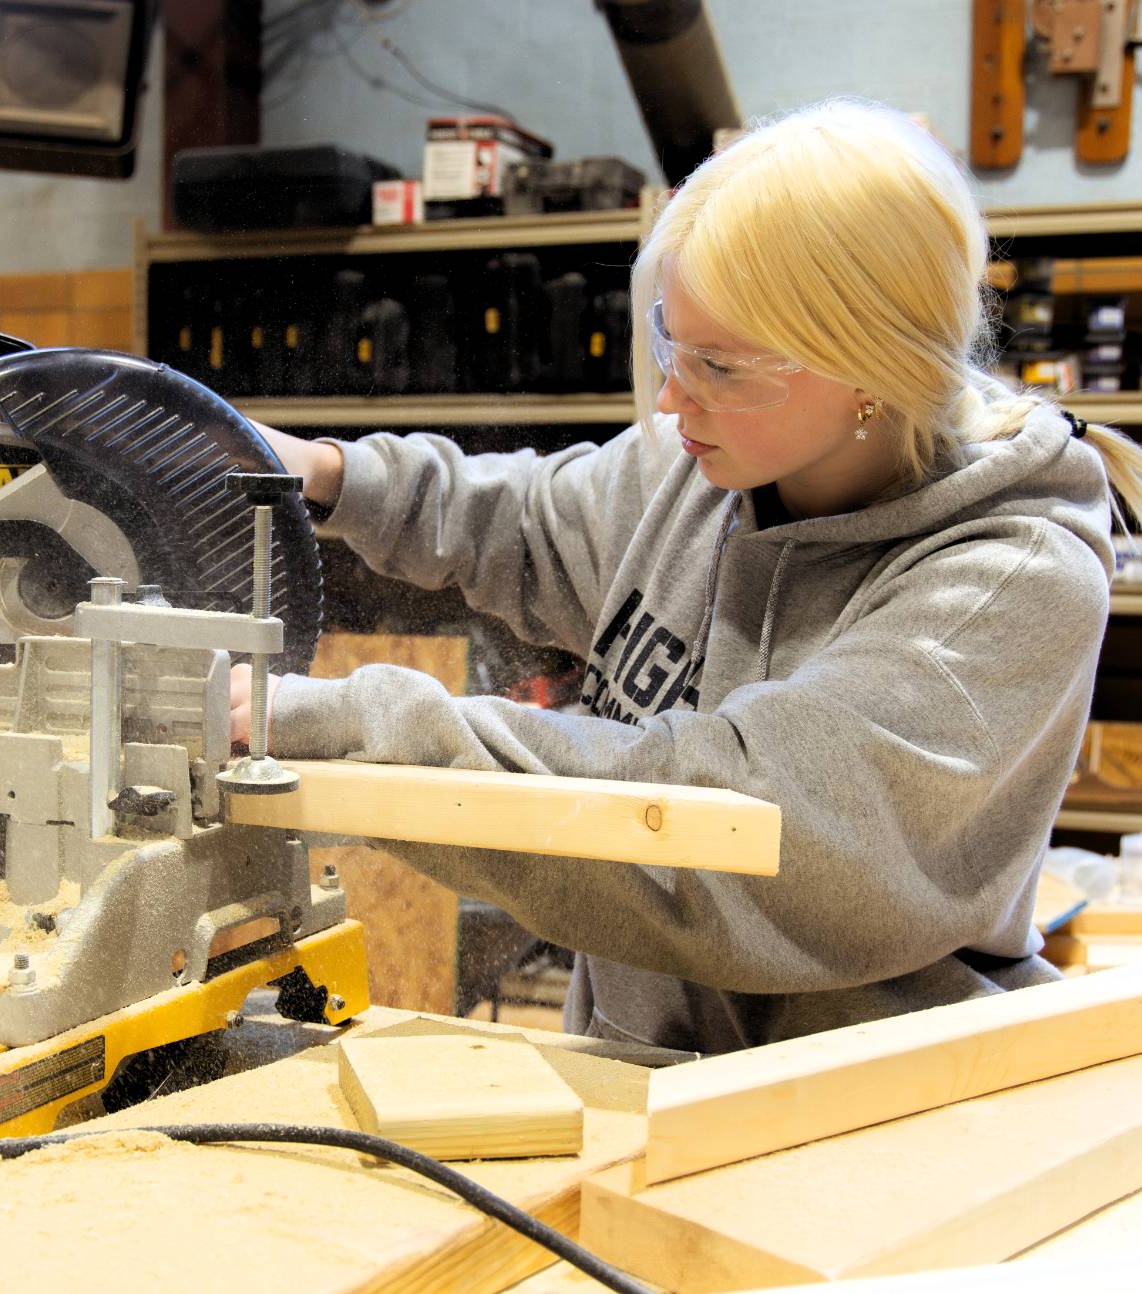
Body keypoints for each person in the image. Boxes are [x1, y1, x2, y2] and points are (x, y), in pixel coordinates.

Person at [226, 99, 1142, 1054]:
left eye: (718, 365)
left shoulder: (1009, 582)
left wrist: (336, 724)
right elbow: (528, 522)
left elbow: (726, 821)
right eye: (672, 344)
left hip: (857, 1113)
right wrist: (319, 473)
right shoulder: (710, 462)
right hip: (649, 1071)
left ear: (870, 364)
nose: (671, 397)